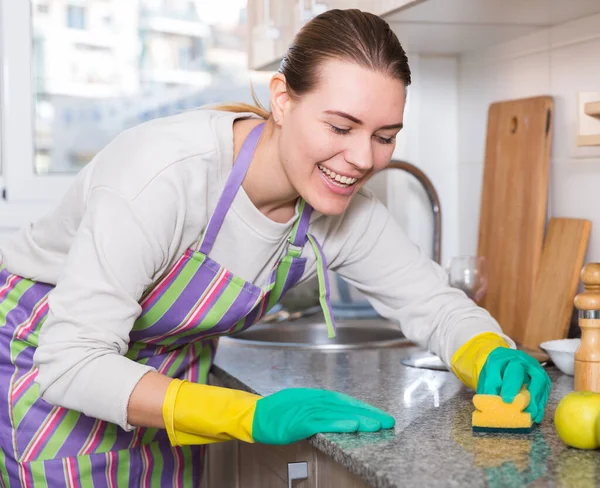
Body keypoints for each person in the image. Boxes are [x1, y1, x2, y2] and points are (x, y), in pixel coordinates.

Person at [0, 8, 550, 487]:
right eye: (340, 126)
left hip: (164, 376)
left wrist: (486, 350)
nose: (362, 158)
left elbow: (431, 303)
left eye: (384, 137)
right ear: (282, 99)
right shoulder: (164, 175)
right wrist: (246, 415)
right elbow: (71, 361)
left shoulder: (337, 208)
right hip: (51, 363)